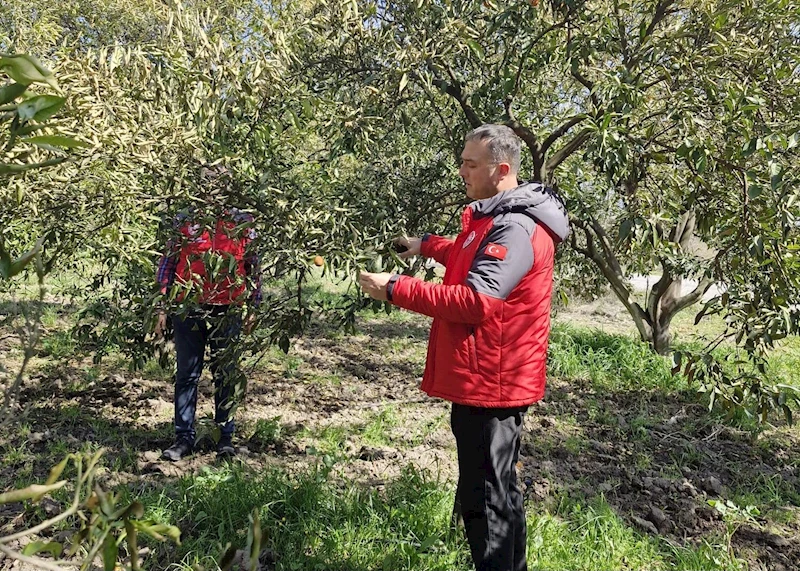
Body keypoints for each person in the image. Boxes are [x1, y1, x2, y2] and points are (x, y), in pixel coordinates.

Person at [359, 124, 569, 571]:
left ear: (503, 169)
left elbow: (477, 302)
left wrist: (396, 288)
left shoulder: (514, 226)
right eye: (462, 162)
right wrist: (424, 246)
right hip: (483, 380)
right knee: (496, 489)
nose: (461, 172)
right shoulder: (495, 216)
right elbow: (466, 250)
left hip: (493, 383)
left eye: (470, 165)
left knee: (487, 500)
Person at [154, 164, 261, 461]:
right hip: (188, 306)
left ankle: (225, 436)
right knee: (187, 373)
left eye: (218, 186)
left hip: (228, 308)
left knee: (225, 373)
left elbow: (253, 265)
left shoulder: (243, 222)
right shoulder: (184, 221)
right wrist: (162, 304)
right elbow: (168, 263)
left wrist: (253, 305)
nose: (212, 193)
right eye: (207, 186)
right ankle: (183, 437)